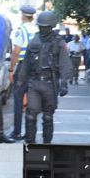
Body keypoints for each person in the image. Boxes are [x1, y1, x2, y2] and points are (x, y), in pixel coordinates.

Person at [18, 11, 72, 144]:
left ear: (51, 27)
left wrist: (64, 81)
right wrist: (20, 80)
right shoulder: (34, 41)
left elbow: (65, 63)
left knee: (48, 117)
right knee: (31, 115)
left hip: (49, 84)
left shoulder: (58, 43)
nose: (42, 29)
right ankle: (30, 145)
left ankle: (47, 145)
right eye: (40, 26)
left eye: (45, 27)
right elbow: (25, 63)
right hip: (34, 83)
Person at [8, 5, 37, 140]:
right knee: (32, 102)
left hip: (22, 69)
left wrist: (11, 69)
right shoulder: (37, 30)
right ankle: (30, 134)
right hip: (35, 69)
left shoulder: (22, 30)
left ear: (23, 16)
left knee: (18, 101)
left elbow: (16, 52)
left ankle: (17, 132)